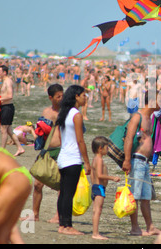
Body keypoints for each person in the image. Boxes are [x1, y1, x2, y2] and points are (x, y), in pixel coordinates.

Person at [21, 84, 63, 223]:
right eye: (58, 96)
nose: (61, 98)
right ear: (50, 97)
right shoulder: (46, 112)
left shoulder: (66, 112)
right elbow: (41, 133)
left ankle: (58, 215)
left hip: (60, 151)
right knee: (38, 183)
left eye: (62, 95)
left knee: (60, 185)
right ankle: (35, 214)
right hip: (46, 151)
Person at [122, 88, 161, 236]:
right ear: (151, 101)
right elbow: (128, 138)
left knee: (145, 196)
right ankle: (134, 228)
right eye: (159, 99)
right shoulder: (137, 117)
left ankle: (150, 227)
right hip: (136, 162)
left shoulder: (149, 118)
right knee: (135, 196)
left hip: (144, 163)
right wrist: (126, 160)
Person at [55, 85, 91, 235]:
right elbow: (80, 141)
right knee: (68, 193)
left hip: (63, 157)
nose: (85, 98)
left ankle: (62, 225)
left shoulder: (64, 113)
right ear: (76, 96)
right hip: (72, 159)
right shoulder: (76, 115)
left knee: (63, 193)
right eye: (83, 95)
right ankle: (67, 226)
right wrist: (87, 162)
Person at [90, 136, 121, 240]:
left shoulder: (95, 159)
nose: (108, 150)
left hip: (95, 187)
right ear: (100, 148)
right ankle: (95, 233)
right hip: (99, 188)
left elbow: (92, 174)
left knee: (96, 210)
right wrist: (113, 178)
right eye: (107, 148)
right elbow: (99, 175)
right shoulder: (99, 160)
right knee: (98, 210)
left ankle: (95, 232)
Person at [0, 65, 25, 156]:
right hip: (5, 107)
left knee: (4, 130)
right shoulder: (4, 81)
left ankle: (2, 151)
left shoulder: (8, 81)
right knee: (9, 130)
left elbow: (10, 96)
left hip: (7, 107)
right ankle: (20, 148)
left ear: (4, 72)